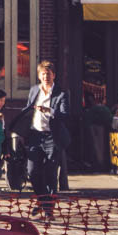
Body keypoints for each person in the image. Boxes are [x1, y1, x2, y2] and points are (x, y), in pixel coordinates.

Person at [22, 61, 69, 217]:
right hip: (35, 135)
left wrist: (49, 110)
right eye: (43, 74)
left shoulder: (61, 93)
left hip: (51, 137)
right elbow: (28, 109)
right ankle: (43, 201)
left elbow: (65, 115)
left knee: (50, 173)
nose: (46, 77)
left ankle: (48, 209)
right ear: (39, 76)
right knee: (32, 171)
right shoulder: (34, 90)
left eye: (48, 74)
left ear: (53, 75)